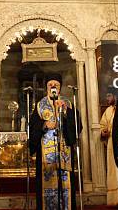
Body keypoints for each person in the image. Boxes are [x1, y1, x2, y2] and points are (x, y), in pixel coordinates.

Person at [29, 72, 82, 210]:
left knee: (66, 185)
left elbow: (77, 125)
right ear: (47, 87)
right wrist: (44, 125)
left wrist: (66, 112)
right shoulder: (40, 105)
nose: (53, 86)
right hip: (46, 154)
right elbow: (33, 126)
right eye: (50, 84)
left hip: (64, 152)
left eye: (56, 85)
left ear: (60, 88)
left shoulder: (67, 103)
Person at [99, 88, 118, 207]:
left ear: (115, 96)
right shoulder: (108, 110)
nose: (107, 99)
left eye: (109, 96)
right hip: (112, 144)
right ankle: (115, 198)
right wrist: (103, 132)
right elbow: (103, 125)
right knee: (113, 170)